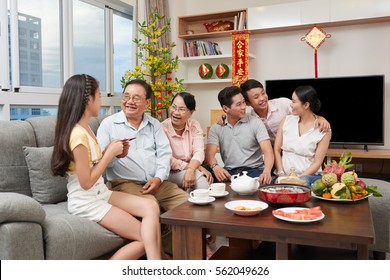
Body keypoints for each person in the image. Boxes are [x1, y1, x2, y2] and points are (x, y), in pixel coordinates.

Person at [51, 74, 161, 260]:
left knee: (151, 206)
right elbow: (86, 182)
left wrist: (116, 151)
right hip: (86, 200)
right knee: (145, 239)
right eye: (99, 95)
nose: (101, 100)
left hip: (100, 192)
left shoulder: (85, 128)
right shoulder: (77, 135)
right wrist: (109, 153)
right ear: (88, 100)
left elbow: (93, 163)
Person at [96, 79, 189, 256]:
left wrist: (159, 178)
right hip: (123, 183)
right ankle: (166, 256)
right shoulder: (109, 125)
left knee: (187, 204)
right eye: (126, 96)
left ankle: (188, 250)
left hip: (156, 182)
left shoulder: (154, 124)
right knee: (151, 205)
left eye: (136, 98)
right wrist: (115, 153)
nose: (130, 101)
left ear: (147, 103)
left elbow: (164, 154)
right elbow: (100, 162)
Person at [206, 85, 274, 185]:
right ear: (226, 108)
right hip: (229, 172)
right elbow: (209, 155)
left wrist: (267, 171)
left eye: (243, 102)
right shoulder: (217, 128)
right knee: (207, 179)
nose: (243, 106)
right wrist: (215, 166)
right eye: (238, 104)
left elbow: (268, 151)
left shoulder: (256, 123)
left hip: (254, 171)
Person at [240, 79, 330, 144]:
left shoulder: (283, 103)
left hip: (293, 147)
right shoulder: (249, 119)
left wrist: (319, 118)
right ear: (247, 103)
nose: (262, 98)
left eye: (263, 93)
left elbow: (304, 111)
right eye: (256, 97)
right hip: (271, 152)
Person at [273, 85, 331, 186]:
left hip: (308, 177)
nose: (290, 105)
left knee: (302, 186)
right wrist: (281, 173)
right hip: (284, 176)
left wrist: (298, 179)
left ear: (306, 105)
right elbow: (277, 149)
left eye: (294, 101)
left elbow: (317, 162)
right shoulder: (286, 120)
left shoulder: (323, 129)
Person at [162, 92, 213, 191]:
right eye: (173, 107)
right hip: (170, 172)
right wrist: (193, 168)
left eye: (182, 109)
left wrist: (192, 169)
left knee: (200, 181)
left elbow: (199, 152)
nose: (176, 112)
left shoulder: (194, 125)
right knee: (200, 180)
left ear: (191, 112)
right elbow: (168, 159)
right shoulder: (162, 128)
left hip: (192, 168)